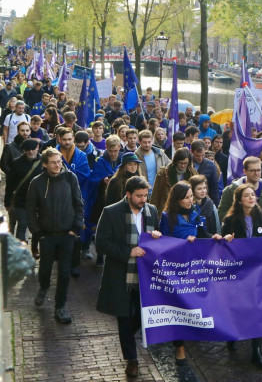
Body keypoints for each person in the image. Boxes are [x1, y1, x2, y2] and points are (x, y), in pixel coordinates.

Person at [95, 176, 162, 378]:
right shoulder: (111, 212)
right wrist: (128, 252)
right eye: (139, 196)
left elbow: (156, 242)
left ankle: (127, 338)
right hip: (121, 276)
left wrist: (157, 237)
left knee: (142, 317)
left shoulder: (152, 211)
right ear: (128, 194)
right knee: (124, 317)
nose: (144, 199)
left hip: (144, 275)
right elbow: (101, 243)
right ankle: (132, 359)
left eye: (146, 195)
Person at [159, 181, 225, 365]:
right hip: (177, 268)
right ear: (177, 200)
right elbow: (163, 243)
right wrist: (182, 242)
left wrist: (213, 237)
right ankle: (179, 346)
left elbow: (202, 232)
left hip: (194, 267)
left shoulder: (195, 213)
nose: (191, 200)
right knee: (178, 305)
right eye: (186, 197)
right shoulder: (167, 217)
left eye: (191, 196)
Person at [26, 147, 84, 324]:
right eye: (53, 162)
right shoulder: (36, 182)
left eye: (59, 161)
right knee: (45, 269)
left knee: (65, 272)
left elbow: (78, 203)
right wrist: (38, 233)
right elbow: (30, 210)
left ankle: (60, 306)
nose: (58, 165)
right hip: (47, 235)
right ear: (45, 164)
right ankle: (43, 287)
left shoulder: (70, 177)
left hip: (67, 234)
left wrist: (75, 229)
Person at [221, 183, 262, 367]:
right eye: (247, 195)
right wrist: (227, 240)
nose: (251, 198)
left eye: (253, 195)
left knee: (257, 308)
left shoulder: (260, 217)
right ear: (239, 200)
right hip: (238, 272)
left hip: (256, 271)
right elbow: (223, 244)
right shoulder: (231, 220)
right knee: (238, 307)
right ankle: (232, 335)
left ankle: (257, 349)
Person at [82, 136, 123, 265]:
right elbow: (92, 179)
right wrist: (102, 180)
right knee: (98, 227)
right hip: (101, 200)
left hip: (118, 199)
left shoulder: (123, 161)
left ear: (119, 148)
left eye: (115, 150)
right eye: (110, 150)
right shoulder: (100, 161)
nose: (113, 153)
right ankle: (99, 254)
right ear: (106, 148)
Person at [5, 139, 42, 254]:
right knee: (22, 224)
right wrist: (7, 202)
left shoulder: (43, 162)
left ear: (37, 148)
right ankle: (19, 252)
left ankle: (34, 248)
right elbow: (10, 184)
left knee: (37, 227)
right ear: (23, 150)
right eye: (28, 150)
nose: (31, 152)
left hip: (39, 201)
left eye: (33, 149)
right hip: (21, 200)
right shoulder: (16, 163)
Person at [219, 156, 262, 226]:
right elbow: (221, 212)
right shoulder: (231, 189)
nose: (256, 173)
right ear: (245, 171)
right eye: (253, 170)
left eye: (259, 170)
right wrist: (236, 223)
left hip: (259, 232)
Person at [150, 147, 197, 213]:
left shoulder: (193, 173)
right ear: (175, 161)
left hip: (186, 211)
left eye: (185, 163)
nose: (183, 166)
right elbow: (155, 196)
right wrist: (152, 213)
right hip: (167, 210)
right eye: (181, 163)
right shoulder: (163, 173)